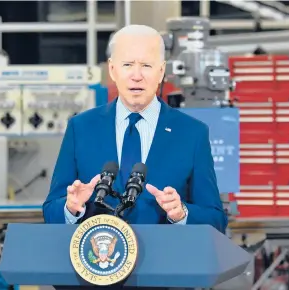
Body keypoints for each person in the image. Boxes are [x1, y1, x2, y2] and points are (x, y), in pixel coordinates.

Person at [42, 24, 227, 234]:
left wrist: (182, 213)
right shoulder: (81, 128)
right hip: (98, 259)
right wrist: (70, 208)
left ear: (161, 72)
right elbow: (50, 211)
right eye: (128, 64)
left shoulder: (192, 133)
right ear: (112, 70)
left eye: (146, 65)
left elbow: (216, 219)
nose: (136, 75)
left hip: (166, 262)